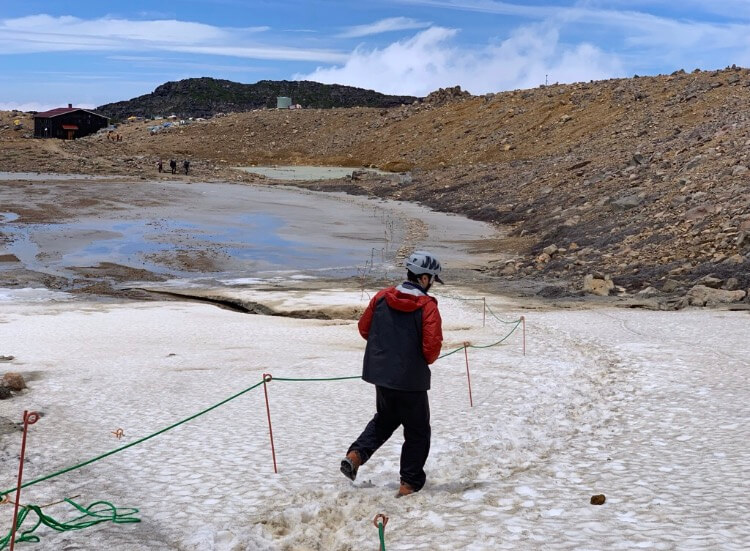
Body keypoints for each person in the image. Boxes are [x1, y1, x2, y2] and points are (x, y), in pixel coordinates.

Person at [341, 251, 444, 497]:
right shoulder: (427, 306)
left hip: (381, 374)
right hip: (411, 380)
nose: (432, 285)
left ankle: (355, 456)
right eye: (432, 279)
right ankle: (409, 484)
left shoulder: (381, 297)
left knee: (386, 419)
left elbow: (364, 329)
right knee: (417, 432)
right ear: (424, 278)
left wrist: (388, 347)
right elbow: (431, 349)